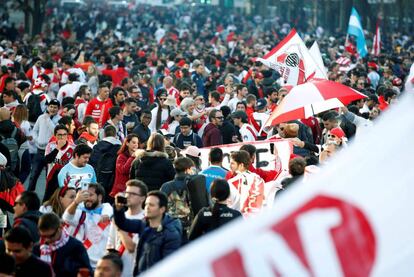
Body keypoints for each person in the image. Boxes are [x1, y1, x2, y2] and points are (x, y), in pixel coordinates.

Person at [113, 190, 182, 275]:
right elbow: (122, 223)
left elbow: (169, 266)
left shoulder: (171, 233)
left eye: (151, 205)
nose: (147, 207)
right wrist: (118, 209)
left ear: (162, 209)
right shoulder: (144, 224)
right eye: (146, 204)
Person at [62, 183, 113, 269]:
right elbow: (67, 218)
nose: (87, 198)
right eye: (85, 195)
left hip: (99, 266)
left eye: (91, 195)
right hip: (79, 263)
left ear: (100, 197)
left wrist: (107, 214)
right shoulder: (80, 211)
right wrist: (76, 202)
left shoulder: (108, 212)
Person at [106, 180, 147, 277]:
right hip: (118, 271)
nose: (128, 196)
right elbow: (111, 242)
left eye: (132, 194)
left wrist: (119, 227)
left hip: (135, 270)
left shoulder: (146, 219)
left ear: (142, 198)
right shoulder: (118, 216)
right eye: (127, 193)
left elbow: (131, 247)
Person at [33, 213, 92, 277]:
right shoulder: (37, 248)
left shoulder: (76, 247)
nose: (47, 240)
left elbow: (87, 271)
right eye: (43, 236)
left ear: (60, 228)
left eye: (51, 236)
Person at [29, 99, 61, 192]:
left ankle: (47, 198)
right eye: (51, 106)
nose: (52, 109)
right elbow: (34, 130)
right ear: (47, 107)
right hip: (39, 150)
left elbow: (55, 131)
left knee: (49, 177)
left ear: (58, 109)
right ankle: (29, 195)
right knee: (33, 175)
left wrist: (48, 119)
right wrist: (36, 140)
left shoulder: (59, 119)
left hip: (51, 152)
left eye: (55, 107)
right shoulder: (41, 117)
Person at [160, 157, 196, 239]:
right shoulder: (195, 184)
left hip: (171, 227)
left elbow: (160, 205)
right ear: (187, 169)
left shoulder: (166, 186)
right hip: (191, 227)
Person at [228, 150, 265, 216]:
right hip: (257, 221)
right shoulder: (258, 178)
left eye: (232, 163)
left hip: (238, 221)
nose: (230, 166)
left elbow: (229, 206)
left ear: (241, 165)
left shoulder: (231, 182)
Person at [43, 124, 75, 201]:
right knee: (47, 204)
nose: (62, 137)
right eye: (59, 135)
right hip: (51, 179)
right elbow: (47, 160)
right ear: (55, 135)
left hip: (65, 181)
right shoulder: (50, 145)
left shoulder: (73, 148)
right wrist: (58, 148)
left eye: (64, 135)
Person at [109, 134, 140, 198]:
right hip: (120, 191)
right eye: (133, 142)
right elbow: (124, 170)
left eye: (137, 143)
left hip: (131, 190)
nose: (136, 145)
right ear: (127, 143)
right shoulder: (121, 157)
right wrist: (132, 157)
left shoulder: (137, 157)